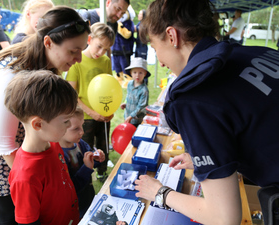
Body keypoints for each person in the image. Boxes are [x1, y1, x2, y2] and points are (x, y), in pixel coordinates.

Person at [134, 0, 279, 224]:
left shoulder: (194, 98)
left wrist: (160, 193)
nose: (160, 63)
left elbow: (223, 218)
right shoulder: (255, 53)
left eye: (155, 48)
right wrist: (209, 158)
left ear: (172, 36)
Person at [0, 6, 90, 225]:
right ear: (48, 42)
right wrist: (36, 180)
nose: (78, 58)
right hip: (0, 155)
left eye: (82, 49)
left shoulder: (45, 62)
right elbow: (4, 145)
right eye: (73, 51)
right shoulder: (10, 75)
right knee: (14, 213)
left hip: (27, 145)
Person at [4, 70, 80, 224]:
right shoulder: (25, 177)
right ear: (38, 124)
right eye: (66, 121)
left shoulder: (53, 144)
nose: (70, 125)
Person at [66, 22, 115, 182]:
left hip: (103, 114)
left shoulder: (106, 61)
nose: (101, 52)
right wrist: (92, 113)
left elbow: (109, 86)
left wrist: (110, 109)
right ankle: (86, 176)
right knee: (86, 148)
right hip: (85, 118)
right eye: (99, 46)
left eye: (105, 49)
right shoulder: (77, 62)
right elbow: (72, 95)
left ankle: (102, 171)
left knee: (103, 144)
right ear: (89, 39)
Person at [59, 106, 105, 218]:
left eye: (82, 126)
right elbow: (71, 188)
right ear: (60, 129)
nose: (82, 132)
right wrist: (86, 168)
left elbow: (91, 162)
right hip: (77, 206)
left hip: (89, 196)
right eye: (76, 129)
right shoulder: (60, 157)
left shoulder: (81, 144)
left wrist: (97, 158)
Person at [120, 57, 150, 127]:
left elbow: (141, 107)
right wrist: (126, 103)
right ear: (131, 73)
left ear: (145, 74)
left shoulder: (144, 90)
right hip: (127, 115)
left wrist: (131, 116)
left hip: (137, 120)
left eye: (140, 73)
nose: (137, 75)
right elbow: (129, 95)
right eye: (135, 72)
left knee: (135, 134)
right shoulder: (130, 84)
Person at [112, 10, 135, 87]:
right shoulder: (114, 22)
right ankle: (119, 81)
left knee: (126, 67)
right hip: (115, 49)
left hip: (124, 50)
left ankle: (128, 81)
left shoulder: (128, 23)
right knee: (117, 67)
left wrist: (120, 27)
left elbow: (128, 34)